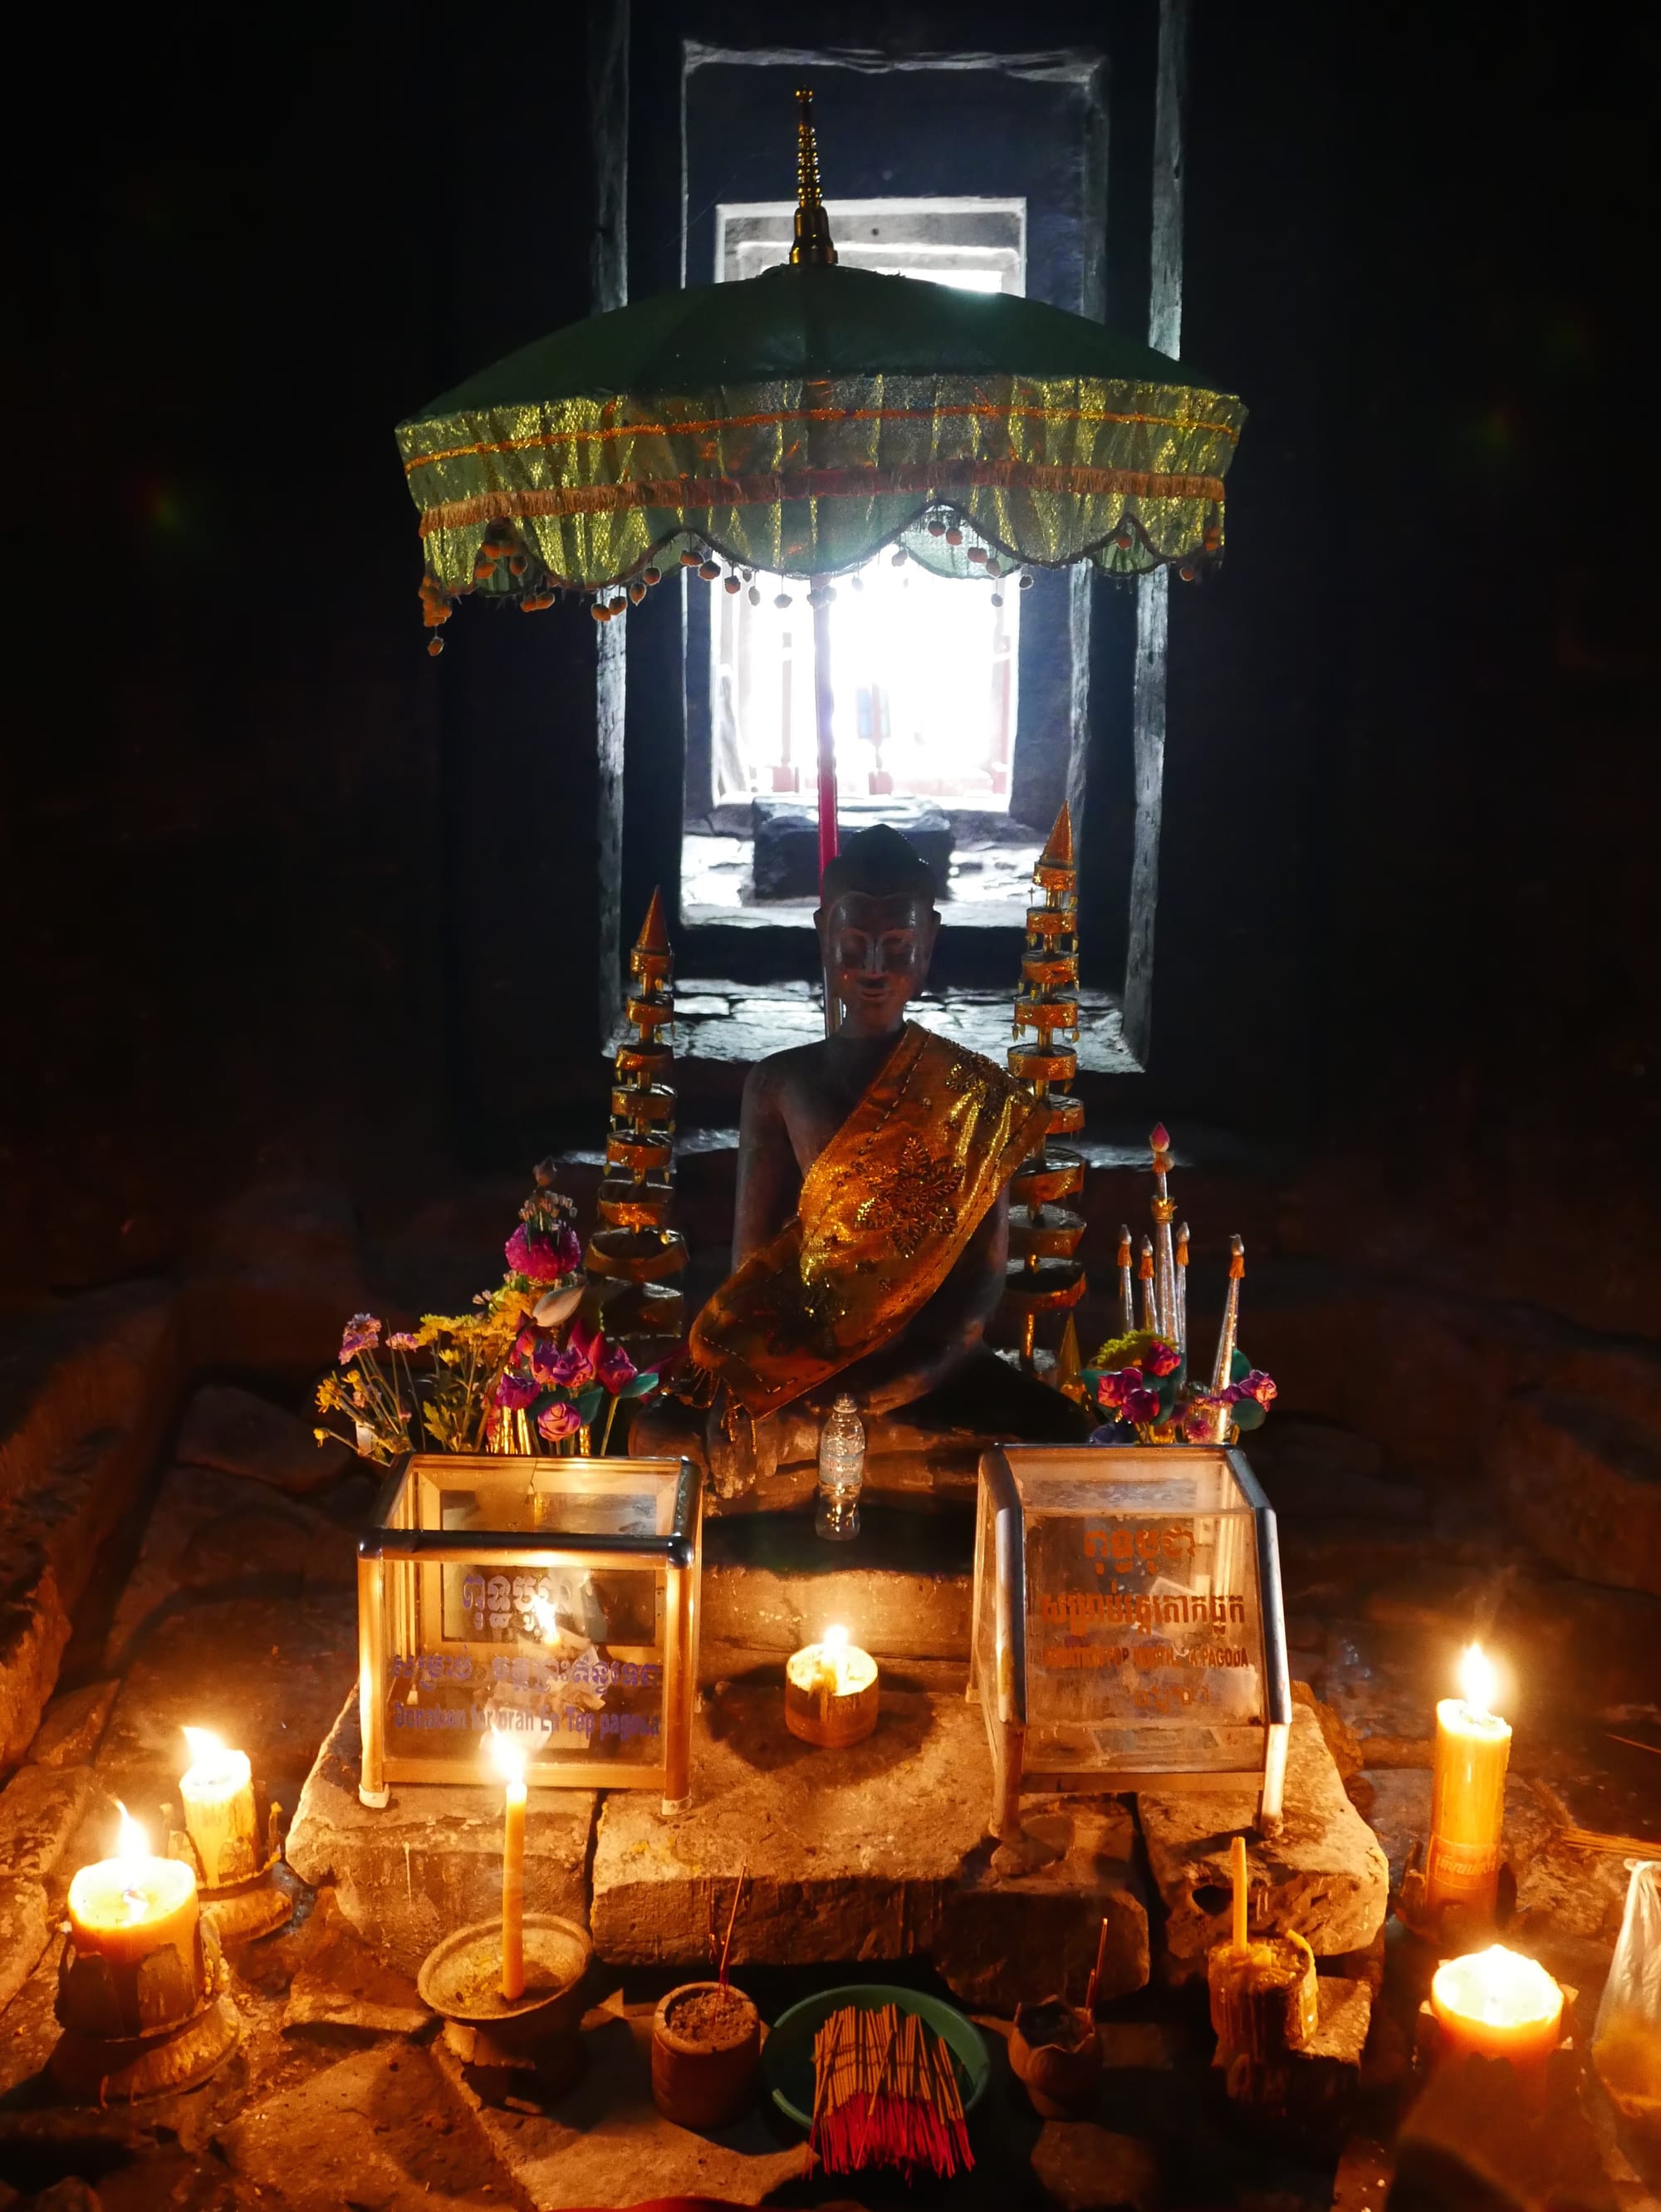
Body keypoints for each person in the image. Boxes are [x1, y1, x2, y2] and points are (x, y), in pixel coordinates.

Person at [642, 822, 1090, 1499]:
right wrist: (778, 1389)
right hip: (797, 1369)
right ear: (825, 935)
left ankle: (811, 1450)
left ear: (930, 944)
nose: (875, 966)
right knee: (655, 1436)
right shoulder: (779, 1083)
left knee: (1062, 1440)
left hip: (924, 1374)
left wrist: (878, 1394)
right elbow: (751, 1271)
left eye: (899, 945)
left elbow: (977, 1298)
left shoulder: (973, 1095)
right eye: (854, 944)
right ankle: (823, 1445)